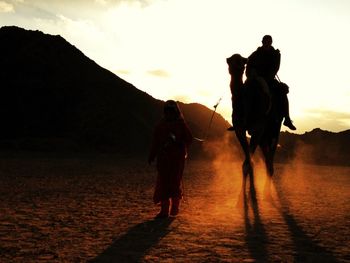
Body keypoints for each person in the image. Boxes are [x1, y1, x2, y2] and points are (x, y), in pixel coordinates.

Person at [148, 100, 193, 218]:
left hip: (177, 161)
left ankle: (175, 207)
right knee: (163, 183)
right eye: (167, 112)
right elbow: (155, 142)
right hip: (163, 160)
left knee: (175, 183)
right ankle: (164, 211)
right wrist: (152, 155)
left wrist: (178, 141)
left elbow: (189, 139)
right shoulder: (160, 126)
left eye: (171, 112)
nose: (169, 114)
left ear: (176, 112)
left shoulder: (181, 125)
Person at [246, 35, 296, 130]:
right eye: (265, 41)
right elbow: (248, 64)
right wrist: (251, 74)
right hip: (255, 79)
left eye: (268, 41)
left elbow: (275, 68)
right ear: (262, 42)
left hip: (269, 79)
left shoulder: (275, 54)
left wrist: (267, 75)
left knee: (282, 92)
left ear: (271, 42)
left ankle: (287, 118)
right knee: (243, 92)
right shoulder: (255, 54)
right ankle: (240, 119)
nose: (266, 43)